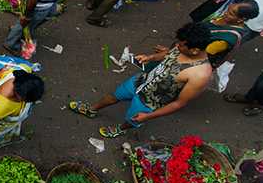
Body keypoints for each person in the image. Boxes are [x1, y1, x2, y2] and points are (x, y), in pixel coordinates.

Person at [69, 22, 213, 137]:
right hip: (140, 81)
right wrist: (149, 57)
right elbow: (167, 54)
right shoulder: (183, 46)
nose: (177, 46)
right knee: (114, 95)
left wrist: (148, 116)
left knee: (134, 118)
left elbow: (179, 103)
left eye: (181, 45)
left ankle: (120, 128)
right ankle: (92, 109)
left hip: (150, 102)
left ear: (194, 50)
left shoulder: (200, 75)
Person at [204, 0, 259, 67]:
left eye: (230, 14)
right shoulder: (227, 19)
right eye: (228, 9)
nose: (225, 13)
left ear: (241, 19)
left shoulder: (227, 40)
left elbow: (205, 52)